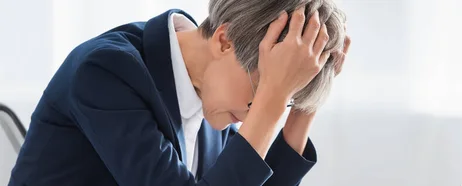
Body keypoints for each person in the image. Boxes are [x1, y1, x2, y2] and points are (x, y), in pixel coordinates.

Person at [9, 0, 350, 185]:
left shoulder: (211, 97)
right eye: (263, 87)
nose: (255, 112)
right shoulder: (106, 72)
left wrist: (304, 100)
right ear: (224, 40)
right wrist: (271, 102)